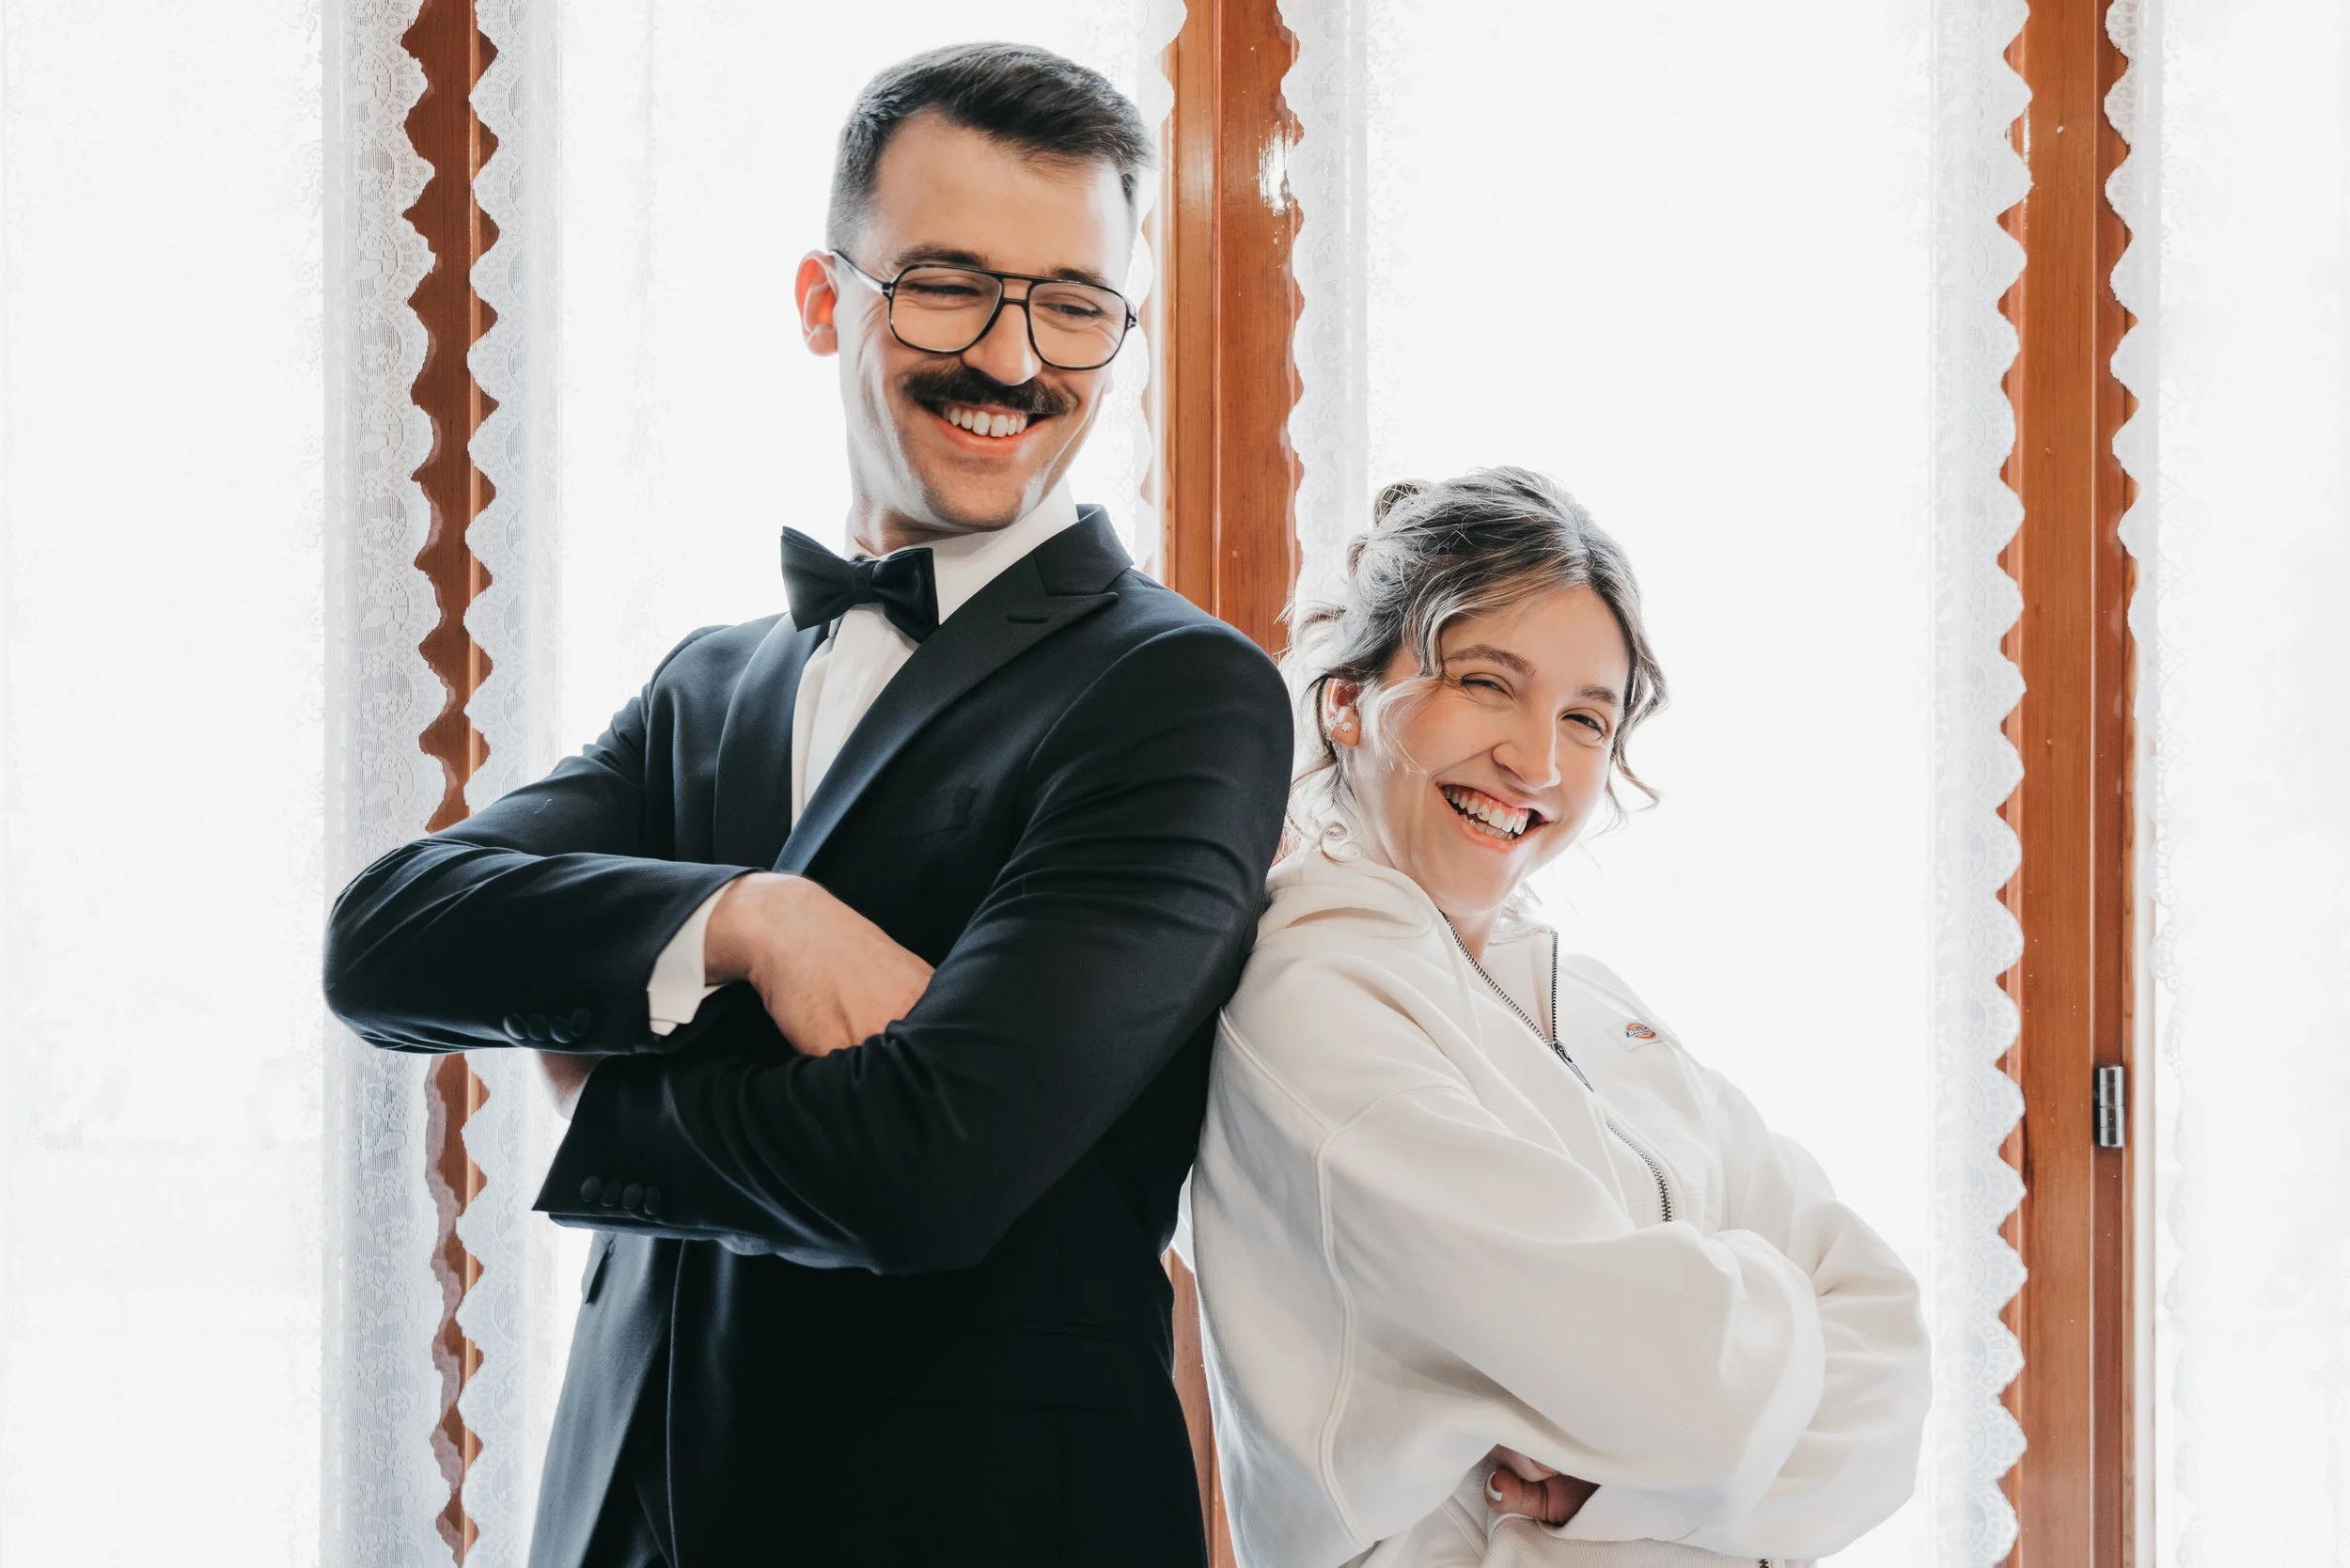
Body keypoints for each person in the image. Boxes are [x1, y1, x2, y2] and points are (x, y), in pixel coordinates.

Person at [323, 43, 1292, 1568]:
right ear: (822, 299)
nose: (1014, 360)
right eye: (948, 287)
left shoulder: (1182, 694)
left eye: (1072, 303)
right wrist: (745, 920)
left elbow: (929, 1170)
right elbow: (386, 942)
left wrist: (609, 1090)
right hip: (616, 1519)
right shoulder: (711, 682)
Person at [1183, 469, 1930, 1567]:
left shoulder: (1591, 1003)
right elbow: (1687, 1395)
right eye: (1488, 684)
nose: (1534, 763)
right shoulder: (1314, 1001)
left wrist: (1644, 1484)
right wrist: (1773, 1302)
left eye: (1585, 719)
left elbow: (1889, 1346)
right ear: (1346, 702)